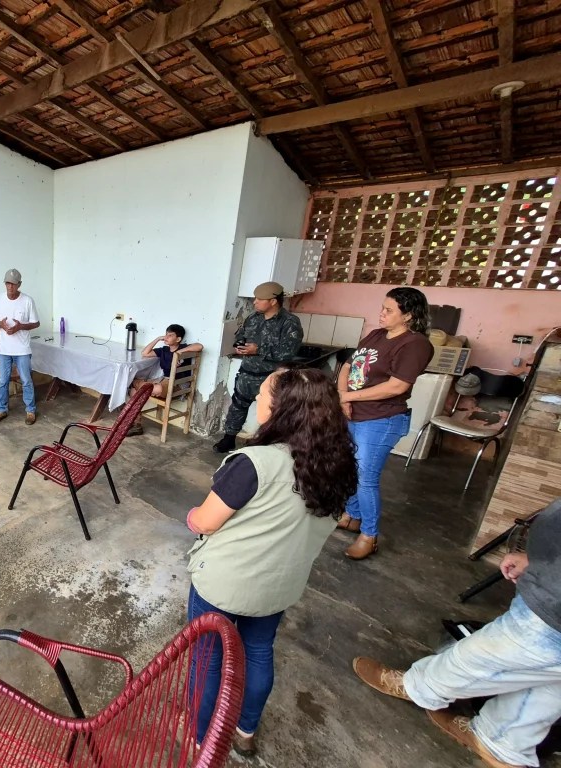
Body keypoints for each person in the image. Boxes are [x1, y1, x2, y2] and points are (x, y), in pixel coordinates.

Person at [186, 368, 357, 757]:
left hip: (225, 583)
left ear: (284, 409)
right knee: (258, 651)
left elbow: (206, 521)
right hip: (280, 584)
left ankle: (200, 736)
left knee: (208, 658)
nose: (257, 400)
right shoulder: (337, 466)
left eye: (263, 395)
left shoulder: (254, 463)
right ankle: (245, 730)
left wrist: (192, 516)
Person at [353, 497, 561, 768]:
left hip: (553, 612)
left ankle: (419, 686)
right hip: (552, 582)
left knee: (482, 655)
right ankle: (502, 741)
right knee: (551, 683)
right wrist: (541, 562)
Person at [335, 286, 433, 560]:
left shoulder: (415, 344)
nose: (382, 313)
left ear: (408, 315)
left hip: (381, 419)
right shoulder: (377, 335)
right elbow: (348, 366)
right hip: (354, 412)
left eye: (389, 310)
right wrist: (342, 397)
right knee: (350, 469)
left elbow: (397, 386)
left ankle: (369, 535)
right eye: (382, 307)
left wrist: (348, 396)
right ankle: (352, 515)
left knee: (366, 478)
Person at [213, 282, 303, 454]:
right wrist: (240, 345)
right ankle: (229, 438)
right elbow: (241, 335)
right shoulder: (253, 317)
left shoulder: (289, 322)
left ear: (273, 301)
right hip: (247, 373)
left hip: (271, 377)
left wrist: (259, 349)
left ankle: (265, 446)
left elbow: (289, 352)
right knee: (237, 406)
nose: (255, 302)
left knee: (271, 413)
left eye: (260, 299)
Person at [127, 324, 203, 436]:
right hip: (164, 381)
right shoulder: (164, 350)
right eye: (166, 334)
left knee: (154, 389)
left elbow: (199, 346)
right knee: (133, 389)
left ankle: (142, 387)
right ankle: (137, 425)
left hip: (179, 384)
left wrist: (180, 353)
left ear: (178, 339)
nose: (166, 337)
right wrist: (158, 339)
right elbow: (145, 353)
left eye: (170, 335)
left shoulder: (183, 348)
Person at [0, 268, 40, 425]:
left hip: (22, 349)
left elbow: (36, 323)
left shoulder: (27, 301)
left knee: (26, 380)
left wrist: (20, 327)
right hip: (4, 350)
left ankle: (30, 411)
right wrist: (1, 324)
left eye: (13, 284)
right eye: (7, 283)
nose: (10, 286)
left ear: (19, 284)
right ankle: (1, 410)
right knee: (3, 381)